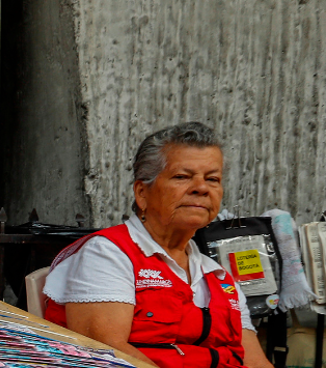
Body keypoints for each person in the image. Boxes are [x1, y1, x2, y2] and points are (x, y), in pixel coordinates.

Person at [42, 122, 273, 368]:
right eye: (182, 177)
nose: (201, 188)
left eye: (212, 179)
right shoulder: (108, 253)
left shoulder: (217, 277)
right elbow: (106, 354)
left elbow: (255, 362)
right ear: (142, 193)